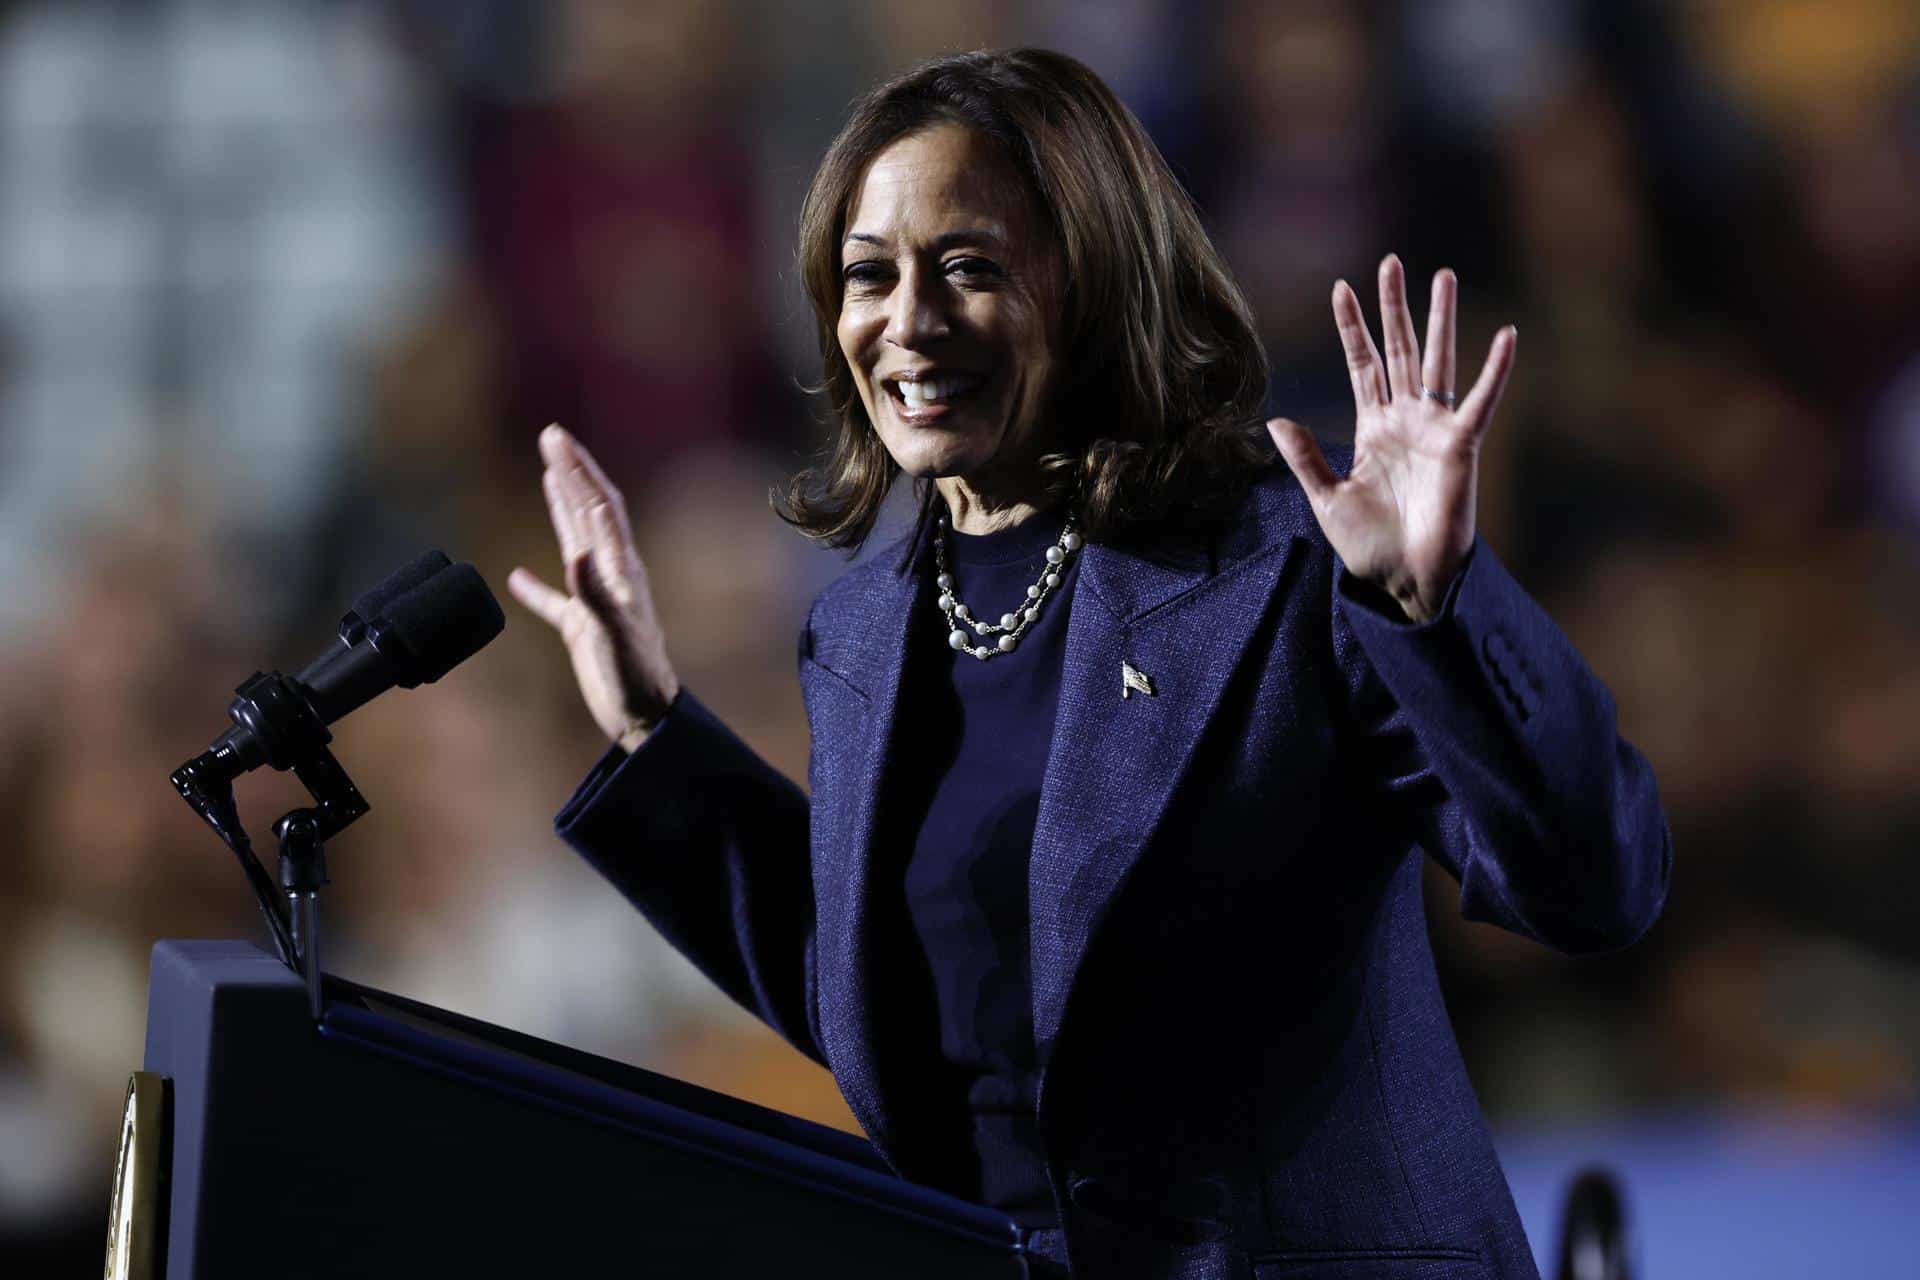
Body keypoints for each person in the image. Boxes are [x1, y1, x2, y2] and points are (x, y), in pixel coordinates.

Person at [507, 48, 1670, 1280]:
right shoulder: (858, 634)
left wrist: (1434, 607)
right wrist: (654, 730)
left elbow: (1593, 888)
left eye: (967, 267)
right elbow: (905, 1008)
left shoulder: (1289, 556)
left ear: (1096, 284)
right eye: (868, 274)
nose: (907, 320)